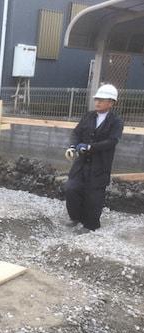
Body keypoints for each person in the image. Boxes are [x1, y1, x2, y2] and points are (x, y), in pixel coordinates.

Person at [63, 84, 124, 234]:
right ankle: (75, 217)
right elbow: (77, 133)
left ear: (111, 103)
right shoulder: (88, 117)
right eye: (97, 99)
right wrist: (72, 146)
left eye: (102, 100)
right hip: (81, 163)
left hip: (100, 164)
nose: (98, 102)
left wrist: (90, 147)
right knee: (71, 188)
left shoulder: (116, 121)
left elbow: (112, 141)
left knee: (94, 194)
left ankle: (91, 225)